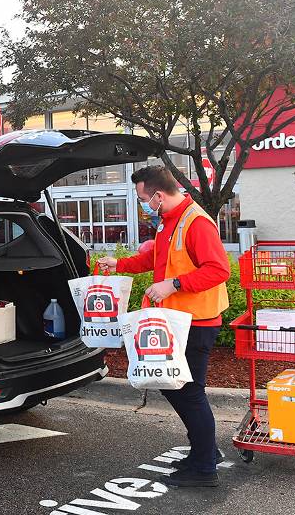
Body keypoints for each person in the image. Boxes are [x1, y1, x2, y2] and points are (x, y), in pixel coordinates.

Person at [98, 165, 230, 488]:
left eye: (144, 198)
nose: (143, 204)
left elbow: (219, 269)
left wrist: (173, 284)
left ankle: (204, 467)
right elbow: (155, 259)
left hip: (196, 322)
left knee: (188, 392)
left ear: (158, 195)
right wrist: (120, 265)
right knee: (177, 388)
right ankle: (205, 452)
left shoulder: (196, 222)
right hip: (179, 321)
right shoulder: (168, 222)